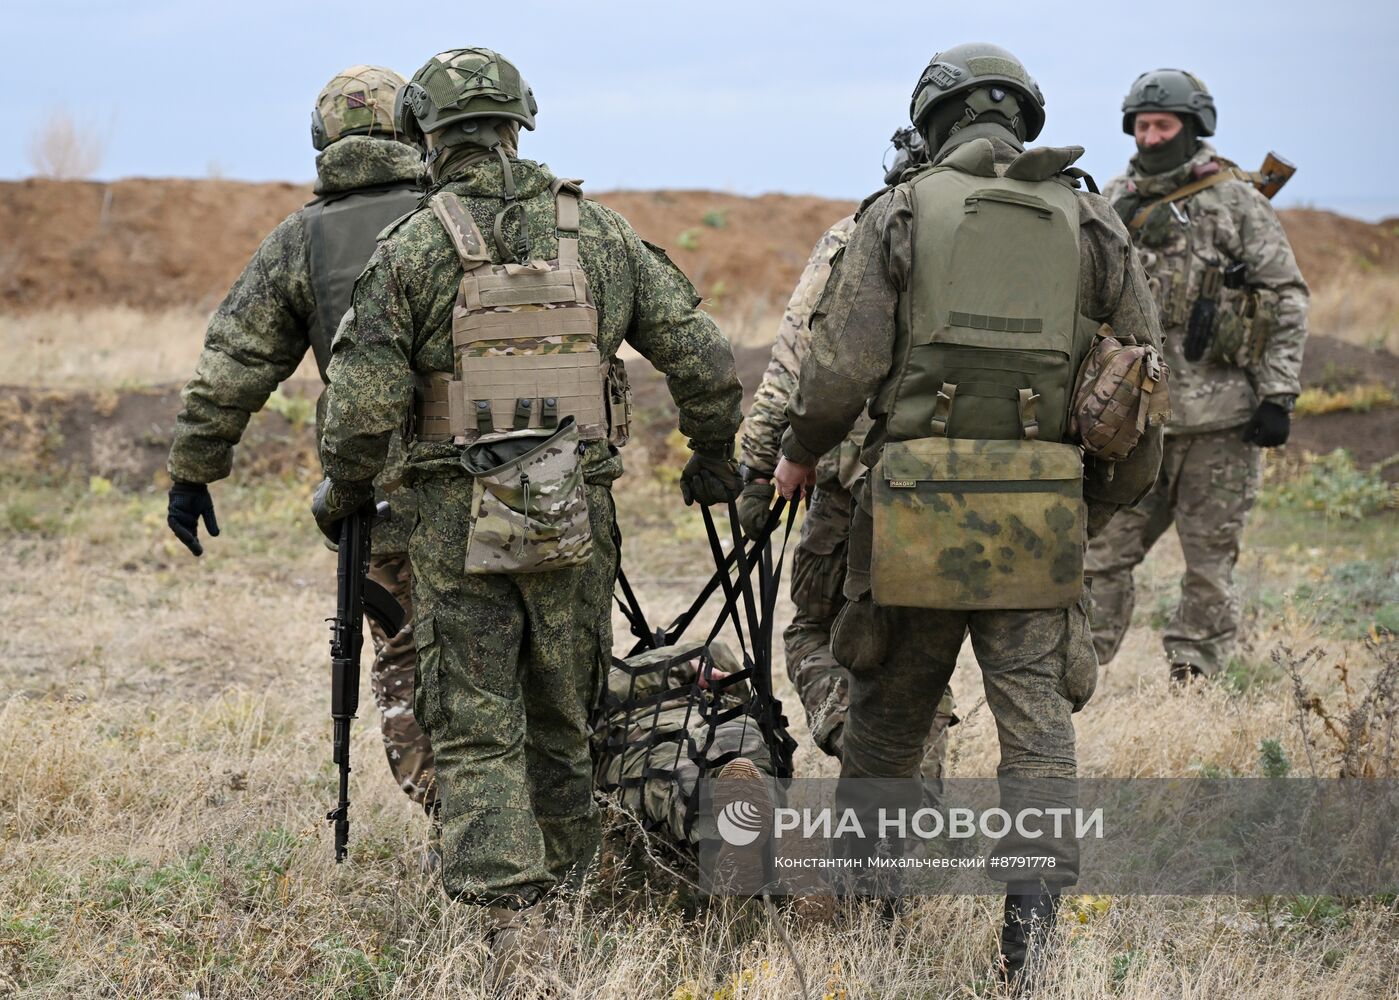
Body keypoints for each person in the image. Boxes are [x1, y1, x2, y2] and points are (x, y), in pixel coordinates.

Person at [310, 46, 742, 977]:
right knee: (563, 713)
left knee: (472, 723)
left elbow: (359, 413)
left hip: (453, 524)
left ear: (423, 134)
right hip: (574, 521)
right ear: (520, 124)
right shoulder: (602, 237)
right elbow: (704, 362)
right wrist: (712, 462)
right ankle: (573, 899)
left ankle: (513, 936)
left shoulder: (415, 248)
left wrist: (343, 492)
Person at [773, 43, 1162, 987]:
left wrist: (796, 452)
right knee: (1035, 729)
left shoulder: (898, 211)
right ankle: (1031, 949)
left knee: (888, 718)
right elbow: (1142, 380)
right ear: (1022, 117)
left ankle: (873, 917)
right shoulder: (1094, 221)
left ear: (934, 119)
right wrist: (1092, 502)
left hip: (908, 512)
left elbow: (839, 368)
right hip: (1037, 515)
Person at [164, 66, 437, 811]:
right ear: (416, 127)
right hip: (519, 490)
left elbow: (236, 360)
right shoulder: (465, 214)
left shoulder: (304, 241)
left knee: (408, 673)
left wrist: (195, 467)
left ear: (323, 140)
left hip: (385, 504)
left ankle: (478, 848)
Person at [737, 129, 956, 787]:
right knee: (923, 652)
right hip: (988, 485)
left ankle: (865, 755)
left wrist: (758, 461)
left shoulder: (861, 231)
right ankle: (913, 825)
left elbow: (802, 355)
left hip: (859, 480)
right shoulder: (1032, 236)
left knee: (815, 631)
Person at [1084, 69, 1309, 683]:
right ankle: (1078, 670)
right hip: (1134, 423)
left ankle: (1194, 674)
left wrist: (1278, 395)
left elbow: (1285, 297)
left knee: (1209, 565)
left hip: (1223, 422)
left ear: (1193, 127)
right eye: (1143, 125)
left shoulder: (1236, 201)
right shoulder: (1114, 201)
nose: (1151, 137)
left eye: (1164, 125)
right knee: (1100, 555)